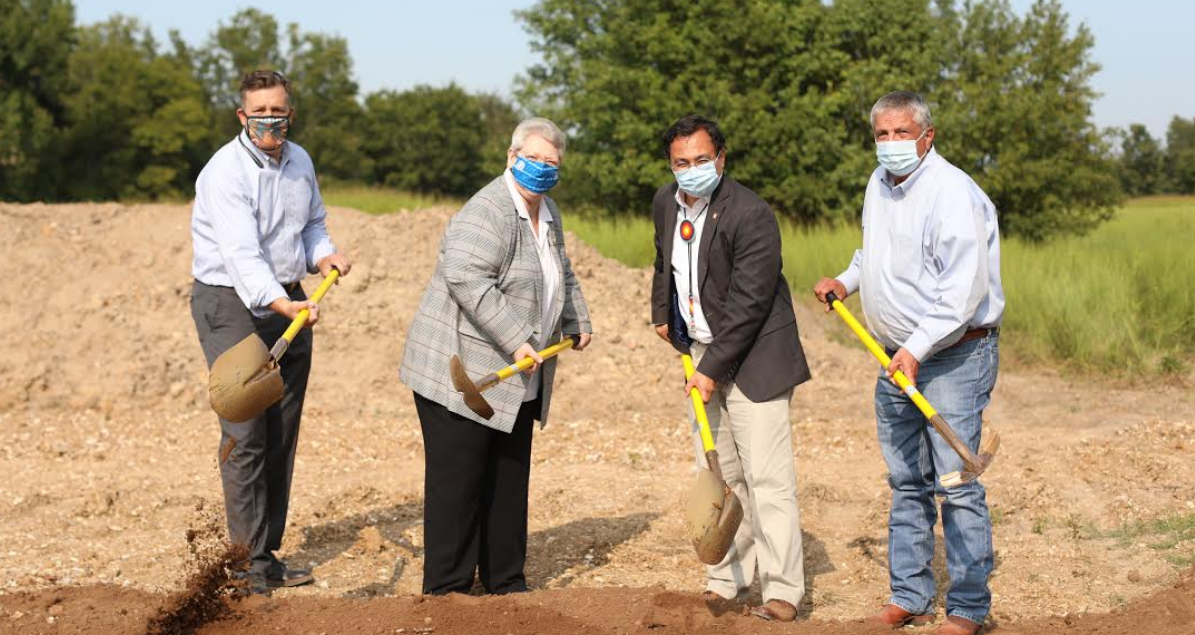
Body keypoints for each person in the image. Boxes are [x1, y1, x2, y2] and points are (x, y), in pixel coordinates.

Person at [814, 91, 1004, 635]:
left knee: (956, 480)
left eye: (902, 133)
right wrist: (845, 281)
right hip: (896, 357)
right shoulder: (879, 185)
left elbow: (961, 292)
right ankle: (910, 595)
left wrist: (915, 349)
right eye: (882, 134)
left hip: (953, 354)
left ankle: (967, 607)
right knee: (907, 480)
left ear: (928, 135)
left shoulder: (953, 194)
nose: (892, 144)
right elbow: (871, 252)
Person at [400, 117, 593, 596]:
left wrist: (576, 319)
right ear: (511, 157)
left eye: (552, 163)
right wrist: (516, 337)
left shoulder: (549, 212)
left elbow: (561, 273)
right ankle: (449, 594)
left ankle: (506, 583)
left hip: (516, 375)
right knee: (459, 487)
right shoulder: (487, 210)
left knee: (507, 480)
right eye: (534, 159)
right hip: (463, 371)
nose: (542, 170)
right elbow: (465, 277)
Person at [190, 69, 351, 594]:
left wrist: (323, 254)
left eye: (277, 111)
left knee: (281, 429)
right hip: (232, 301)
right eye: (258, 113)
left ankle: (266, 555)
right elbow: (241, 256)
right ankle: (245, 565)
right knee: (246, 431)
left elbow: (311, 226)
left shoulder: (300, 161)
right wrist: (283, 302)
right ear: (242, 116)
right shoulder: (224, 173)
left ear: (291, 113)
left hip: (287, 296)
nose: (268, 121)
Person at [650, 114, 811, 622]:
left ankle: (782, 590)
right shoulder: (664, 204)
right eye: (681, 162)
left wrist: (712, 368)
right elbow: (664, 264)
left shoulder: (751, 214)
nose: (691, 169)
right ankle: (729, 577)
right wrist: (662, 315)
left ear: (721, 158)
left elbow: (750, 303)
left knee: (767, 478)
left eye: (701, 160)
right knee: (719, 474)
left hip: (756, 355)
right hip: (702, 353)